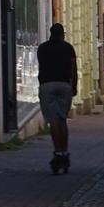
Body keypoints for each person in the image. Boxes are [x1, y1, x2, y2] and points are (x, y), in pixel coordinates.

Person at [37, 23, 77, 174]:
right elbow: (73, 68)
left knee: (53, 121)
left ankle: (57, 152)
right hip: (64, 84)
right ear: (62, 34)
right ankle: (65, 152)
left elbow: (41, 66)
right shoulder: (68, 48)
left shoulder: (42, 48)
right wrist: (74, 86)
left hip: (47, 85)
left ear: (50, 33)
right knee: (62, 120)